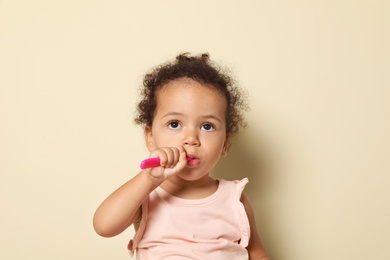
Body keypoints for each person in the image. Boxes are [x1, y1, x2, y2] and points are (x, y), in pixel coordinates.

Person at [93, 53, 270, 259]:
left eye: (207, 126)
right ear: (150, 137)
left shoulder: (234, 198)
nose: (191, 139)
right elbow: (103, 226)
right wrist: (149, 178)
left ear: (225, 144)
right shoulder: (146, 195)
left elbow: (257, 254)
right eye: (175, 124)